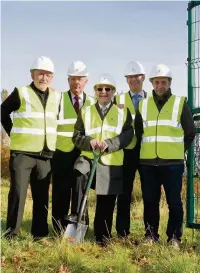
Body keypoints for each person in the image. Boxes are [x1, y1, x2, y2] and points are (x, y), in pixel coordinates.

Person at [67, 74, 134, 245]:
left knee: (106, 201)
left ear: (113, 92)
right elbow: (76, 136)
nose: (103, 92)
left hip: (110, 162)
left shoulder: (122, 111)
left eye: (107, 89)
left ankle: (101, 236)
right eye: (100, 89)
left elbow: (128, 134)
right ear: (95, 91)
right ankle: (79, 220)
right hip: (89, 158)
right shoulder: (86, 111)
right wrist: (90, 142)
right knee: (78, 176)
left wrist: (109, 144)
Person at [135, 64, 196, 249]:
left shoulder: (180, 103)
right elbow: (139, 133)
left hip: (172, 164)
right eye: (157, 82)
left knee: (174, 203)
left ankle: (174, 238)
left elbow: (190, 132)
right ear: (152, 83)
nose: (160, 85)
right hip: (148, 164)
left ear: (169, 83)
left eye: (164, 82)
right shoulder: (143, 105)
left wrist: (178, 150)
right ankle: (151, 236)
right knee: (150, 202)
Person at [1, 56, 60, 240]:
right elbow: (3, 111)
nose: (44, 78)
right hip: (23, 153)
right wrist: (13, 133)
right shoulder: (21, 92)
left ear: (52, 77)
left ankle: (40, 233)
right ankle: (12, 233)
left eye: (48, 74)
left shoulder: (57, 96)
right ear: (32, 74)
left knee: (42, 195)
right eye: (40, 73)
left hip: (45, 154)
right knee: (18, 193)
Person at [51, 61, 96, 234]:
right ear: (68, 80)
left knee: (81, 191)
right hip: (62, 153)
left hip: (83, 154)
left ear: (86, 81)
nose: (77, 83)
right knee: (60, 192)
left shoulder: (92, 102)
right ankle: (58, 229)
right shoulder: (58, 98)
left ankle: (78, 228)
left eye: (80, 79)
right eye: (73, 79)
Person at [114, 61, 147, 238]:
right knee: (124, 192)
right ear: (126, 80)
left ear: (143, 78)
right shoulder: (118, 99)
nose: (134, 80)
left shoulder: (151, 99)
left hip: (147, 152)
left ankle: (150, 233)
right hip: (125, 152)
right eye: (130, 77)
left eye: (137, 76)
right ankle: (122, 232)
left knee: (149, 193)